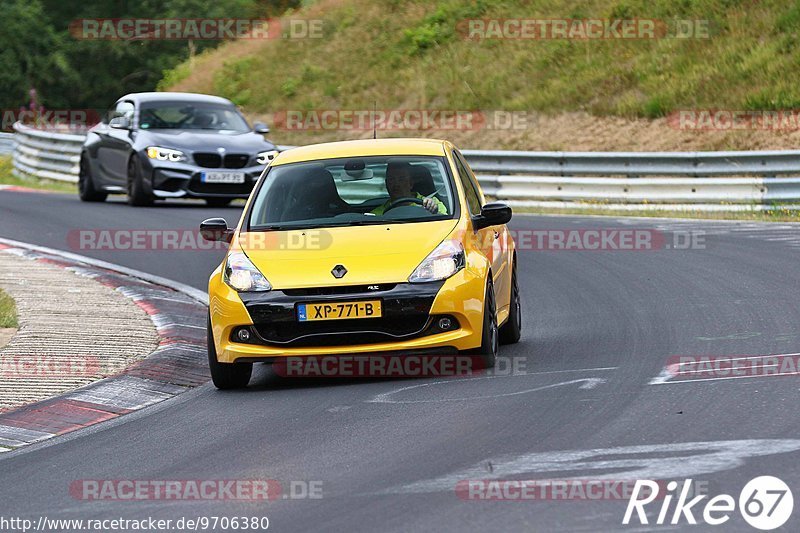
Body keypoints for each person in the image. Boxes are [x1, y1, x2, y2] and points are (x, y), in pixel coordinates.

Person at [371, 161, 446, 215]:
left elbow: (447, 224)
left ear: (410, 183)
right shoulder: (379, 212)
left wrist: (434, 211)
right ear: (387, 184)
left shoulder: (431, 203)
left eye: (401, 179)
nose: (396, 184)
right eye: (391, 179)